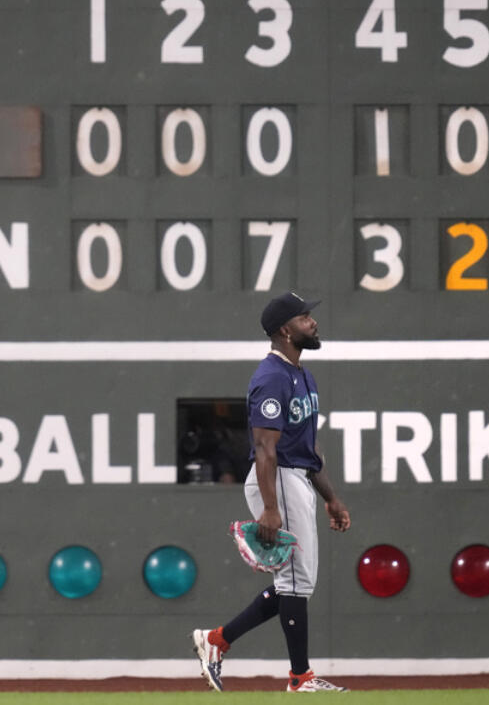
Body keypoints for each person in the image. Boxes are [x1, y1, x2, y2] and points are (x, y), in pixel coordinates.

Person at [191, 292, 352, 693]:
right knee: (297, 583)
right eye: (304, 317)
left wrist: (331, 497)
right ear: (285, 329)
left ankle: (216, 641)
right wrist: (269, 508)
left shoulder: (303, 375)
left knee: (293, 584)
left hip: (295, 476)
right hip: (276, 477)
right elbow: (265, 448)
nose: (312, 322)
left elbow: (309, 447)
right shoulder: (271, 378)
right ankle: (300, 678)